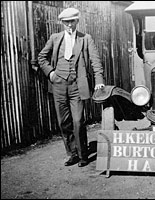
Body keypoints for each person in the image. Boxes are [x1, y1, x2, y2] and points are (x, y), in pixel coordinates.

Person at [38, 8, 105, 167]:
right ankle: (72, 153)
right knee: (64, 122)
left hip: (77, 85)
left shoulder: (86, 38)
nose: (69, 25)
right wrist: (50, 73)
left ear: (77, 21)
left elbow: (95, 61)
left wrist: (99, 80)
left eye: (72, 22)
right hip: (59, 85)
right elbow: (41, 58)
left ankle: (83, 155)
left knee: (78, 121)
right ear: (62, 23)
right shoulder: (55, 38)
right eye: (66, 22)